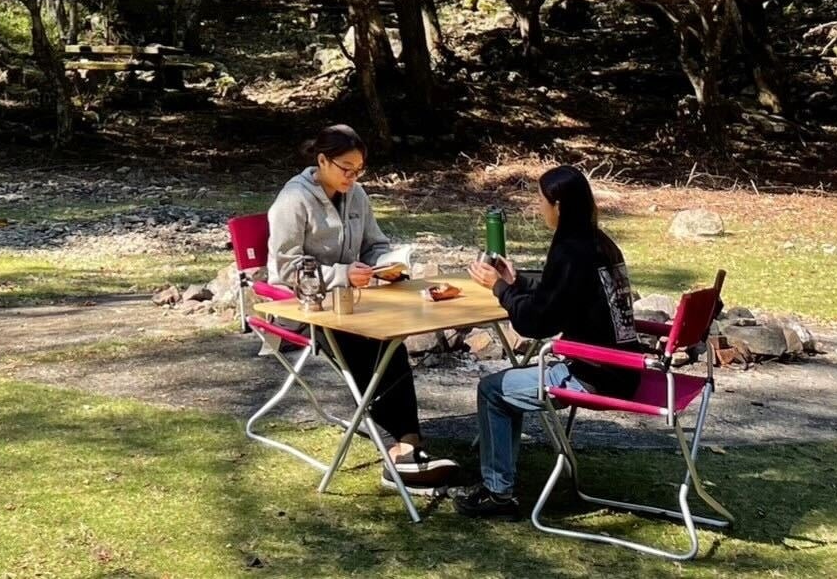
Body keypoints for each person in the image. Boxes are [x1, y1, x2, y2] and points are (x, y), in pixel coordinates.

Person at [265, 123, 464, 489]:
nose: (352, 177)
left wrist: (388, 265)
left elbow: (375, 245)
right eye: (346, 168)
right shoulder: (293, 200)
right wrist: (341, 274)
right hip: (303, 306)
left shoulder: (356, 194)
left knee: (392, 343)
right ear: (322, 161)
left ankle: (409, 443)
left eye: (359, 170)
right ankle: (397, 454)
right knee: (362, 345)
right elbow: (287, 269)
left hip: (351, 300)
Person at [455, 164, 645, 518]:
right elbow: (562, 294)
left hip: (595, 373)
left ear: (558, 205)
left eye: (541, 200)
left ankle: (498, 494)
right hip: (624, 367)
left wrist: (498, 288)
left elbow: (536, 322)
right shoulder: (598, 242)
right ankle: (501, 484)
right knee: (506, 388)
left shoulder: (571, 249)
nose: (538, 207)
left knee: (493, 391)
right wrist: (517, 283)